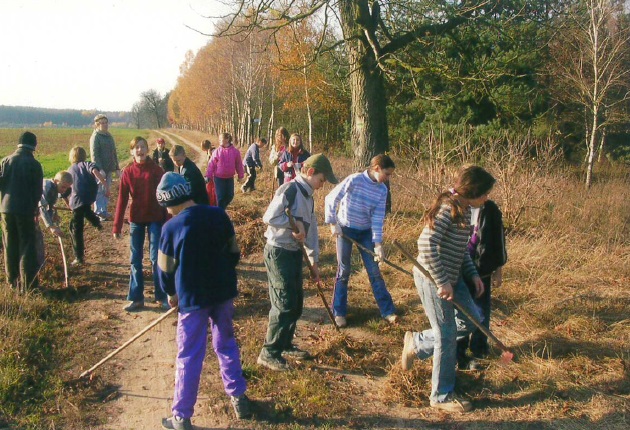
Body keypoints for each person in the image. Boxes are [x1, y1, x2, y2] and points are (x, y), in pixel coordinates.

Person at [156, 173, 251, 429]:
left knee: (189, 354)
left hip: (192, 300)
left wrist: (170, 294)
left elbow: (165, 269)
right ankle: (239, 397)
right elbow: (234, 252)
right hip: (222, 293)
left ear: (168, 202)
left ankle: (181, 416)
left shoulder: (171, 228)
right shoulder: (218, 215)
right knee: (226, 344)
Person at [401, 165, 495, 413]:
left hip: (453, 278)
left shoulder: (465, 211)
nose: (486, 198)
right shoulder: (448, 209)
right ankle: (441, 396)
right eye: (484, 193)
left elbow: (461, 250)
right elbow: (426, 243)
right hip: (432, 278)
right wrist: (442, 281)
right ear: (474, 191)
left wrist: (473, 275)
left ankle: (418, 343)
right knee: (446, 333)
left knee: (473, 319)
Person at [257, 154, 338, 372]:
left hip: (294, 253)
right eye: (322, 180)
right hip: (279, 251)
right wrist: (294, 227)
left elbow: (310, 232)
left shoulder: (309, 196)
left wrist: (314, 262)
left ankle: (285, 343)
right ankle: (269, 352)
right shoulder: (290, 190)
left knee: (296, 302)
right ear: (310, 173)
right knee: (284, 303)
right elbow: (269, 217)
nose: (322, 185)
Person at [325, 154, 398, 328]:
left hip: (365, 233)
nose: (388, 178)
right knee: (344, 271)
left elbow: (378, 218)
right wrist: (333, 223)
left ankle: (387, 311)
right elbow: (330, 198)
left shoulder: (382, 190)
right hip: (345, 229)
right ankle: (339, 312)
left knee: (374, 271)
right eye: (387, 174)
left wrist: (378, 244)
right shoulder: (355, 180)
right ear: (377, 168)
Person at [113, 137, 168, 312]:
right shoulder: (128, 172)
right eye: (136, 147)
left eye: (143, 147)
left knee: (155, 259)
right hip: (136, 219)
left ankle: (162, 296)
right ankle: (136, 298)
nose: (140, 150)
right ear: (132, 151)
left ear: (147, 149)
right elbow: (121, 200)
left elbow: (165, 197)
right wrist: (117, 226)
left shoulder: (157, 171)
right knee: (135, 260)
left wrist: (167, 220)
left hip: (155, 218)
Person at [456, 199, 507, 370]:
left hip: (482, 270)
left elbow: (499, 241)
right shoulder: (456, 206)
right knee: (461, 312)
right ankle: (459, 352)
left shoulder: (491, 210)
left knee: (481, 311)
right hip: (459, 270)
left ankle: (479, 349)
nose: (484, 196)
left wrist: (498, 270)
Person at [0, 131, 44, 291]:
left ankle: (12, 283)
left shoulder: (5, 161)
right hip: (25, 210)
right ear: (34, 146)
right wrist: (35, 210)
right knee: (27, 246)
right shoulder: (34, 164)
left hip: (6, 210)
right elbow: (38, 191)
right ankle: (29, 286)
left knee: (10, 245)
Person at [66, 146, 108, 266]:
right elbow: (95, 171)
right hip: (89, 197)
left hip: (77, 199)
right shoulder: (87, 164)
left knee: (75, 229)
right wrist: (104, 183)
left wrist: (68, 202)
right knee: (86, 210)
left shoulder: (71, 168)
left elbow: (68, 187)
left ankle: (79, 257)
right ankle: (96, 222)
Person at [36, 172, 73, 266]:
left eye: (67, 188)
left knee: (37, 238)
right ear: (56, 181)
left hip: (33, 213)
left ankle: (40, 265)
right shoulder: (47, 187)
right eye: (63, 187)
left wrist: (54, 215)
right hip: (24, 212)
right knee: (36, 239)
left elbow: (50, 205)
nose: (64, 191)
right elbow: (42, 207)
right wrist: (51, 226)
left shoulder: (54, 188)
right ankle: (38, 268)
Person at [89, 114, 119, 221]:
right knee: (100, 191)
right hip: (100, 170)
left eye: (106, 122)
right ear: (97, 124)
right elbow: (94, 155)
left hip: (109, 168)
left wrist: (117, 168)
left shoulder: (109, 136)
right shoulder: (95, 137)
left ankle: (104, 210)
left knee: (107, 190)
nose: (105, 125)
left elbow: (114, 152)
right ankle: (99, 212)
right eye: (103, 123)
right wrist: (99, 169)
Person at [205, 132, 244, 209]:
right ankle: (220, 212)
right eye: (219, 139)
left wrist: (240, 176)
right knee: (220, 197)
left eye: (220, 139)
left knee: (230, 195)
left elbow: (239, 164)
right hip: (218, 178)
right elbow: (211, 164)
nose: (219, 141)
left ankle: (221, 208)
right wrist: (208, 176)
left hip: (229, 178)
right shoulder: (217, 151)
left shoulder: (235, 152)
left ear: (227, 139)